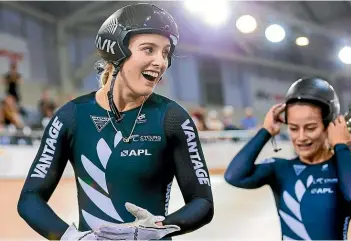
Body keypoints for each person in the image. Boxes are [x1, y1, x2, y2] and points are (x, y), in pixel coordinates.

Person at [18, 3, 213, 240]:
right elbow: (30, 198)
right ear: (116, 52)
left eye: (165, 52)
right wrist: (70, 237)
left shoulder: (172, 118)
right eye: (148, 49)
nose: (161, 62)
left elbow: (203, 202)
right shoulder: (71, 116)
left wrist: (160, 227)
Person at [224, 77, 351, 240]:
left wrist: (340, 146)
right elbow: (234, 176)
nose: (301, 137)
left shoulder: (349, 168)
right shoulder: (280, 169)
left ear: (328, 126)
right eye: (293, 128)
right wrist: (266, 131)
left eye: (310, 128)